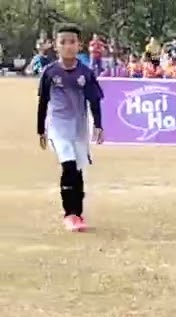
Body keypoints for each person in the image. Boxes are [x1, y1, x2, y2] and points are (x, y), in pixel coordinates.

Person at [36, 25, 104, 232]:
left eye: (72, 42)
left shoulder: (86, 73)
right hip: (58, 127)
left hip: (79, 128)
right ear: (55, 46)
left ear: (79, 45)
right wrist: (41, 129)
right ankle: (70, 214)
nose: (68, 46)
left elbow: (94, 101)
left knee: (78, 169)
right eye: (63, 42)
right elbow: (43, 102)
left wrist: (98, 125)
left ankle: (78, 214)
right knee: (69, 165)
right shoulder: (50, 72)